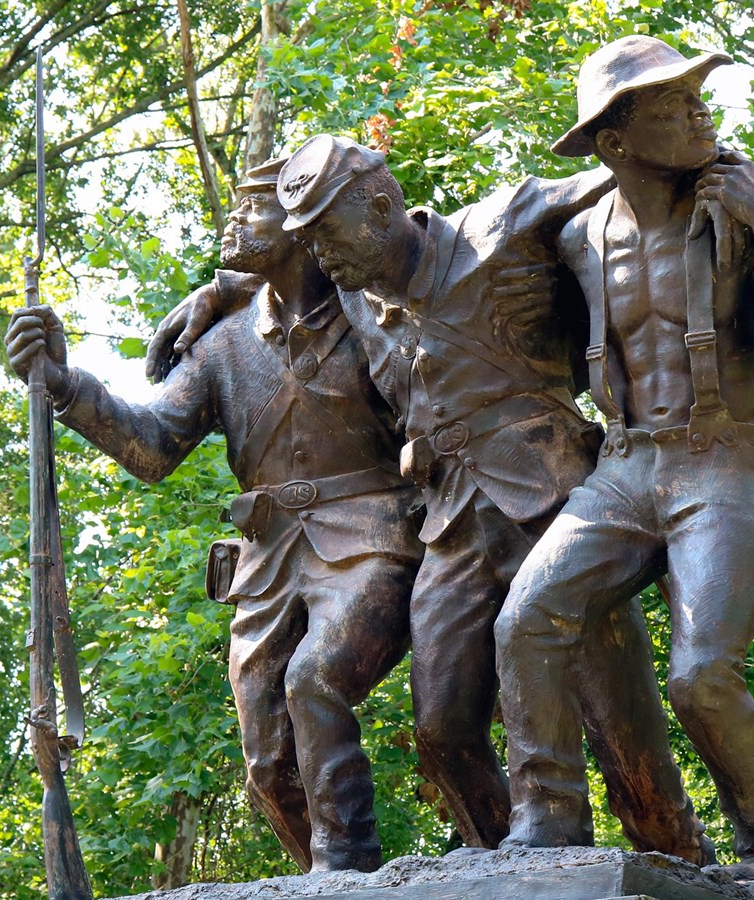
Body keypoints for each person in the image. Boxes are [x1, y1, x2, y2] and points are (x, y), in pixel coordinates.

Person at [266, 134, 709, 861]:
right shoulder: (352, 287)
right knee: (443, 727)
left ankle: (690, 871)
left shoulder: (497, 226)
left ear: (380, 208)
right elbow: (277, 286)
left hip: (559, 511)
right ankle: (524, 861)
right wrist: (214, 293)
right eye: (306, 237)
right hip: (454, 528)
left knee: (625, 737)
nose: (317, 251)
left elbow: (623, 173)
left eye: (325, 229)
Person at [5, 158, 422, 873]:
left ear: (301, 226)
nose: (231, 222)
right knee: (266, 756)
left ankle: (346, 867)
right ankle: (330, 875)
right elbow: (153, 446)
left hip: (372, 536)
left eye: (252, 209)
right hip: (267, 560)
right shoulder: (223, 344)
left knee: (314, 680)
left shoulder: (368, 311)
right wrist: (66, 384)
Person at [493, 35, 754, 891]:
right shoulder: (574, 236)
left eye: (696, 96)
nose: (700, 111)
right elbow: (442, 256)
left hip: (724, 460)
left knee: (702, 676)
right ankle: (548, 826)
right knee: (526, 622)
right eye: (675, 103)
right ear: (616, 140)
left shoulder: (737, 206)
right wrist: (234, 287)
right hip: (626, 468)